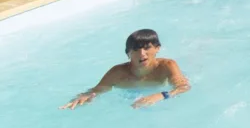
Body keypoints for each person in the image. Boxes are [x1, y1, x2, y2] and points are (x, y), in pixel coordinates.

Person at [60, 29, 190, 110]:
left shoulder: (166, 66)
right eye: (136, 50)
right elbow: (97, 90)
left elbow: (183, 87)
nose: (142, 54)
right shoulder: (118, 73)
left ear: (157, 48)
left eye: (147, 48)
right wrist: (84, 97)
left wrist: (160, 95)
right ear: (128, 54)